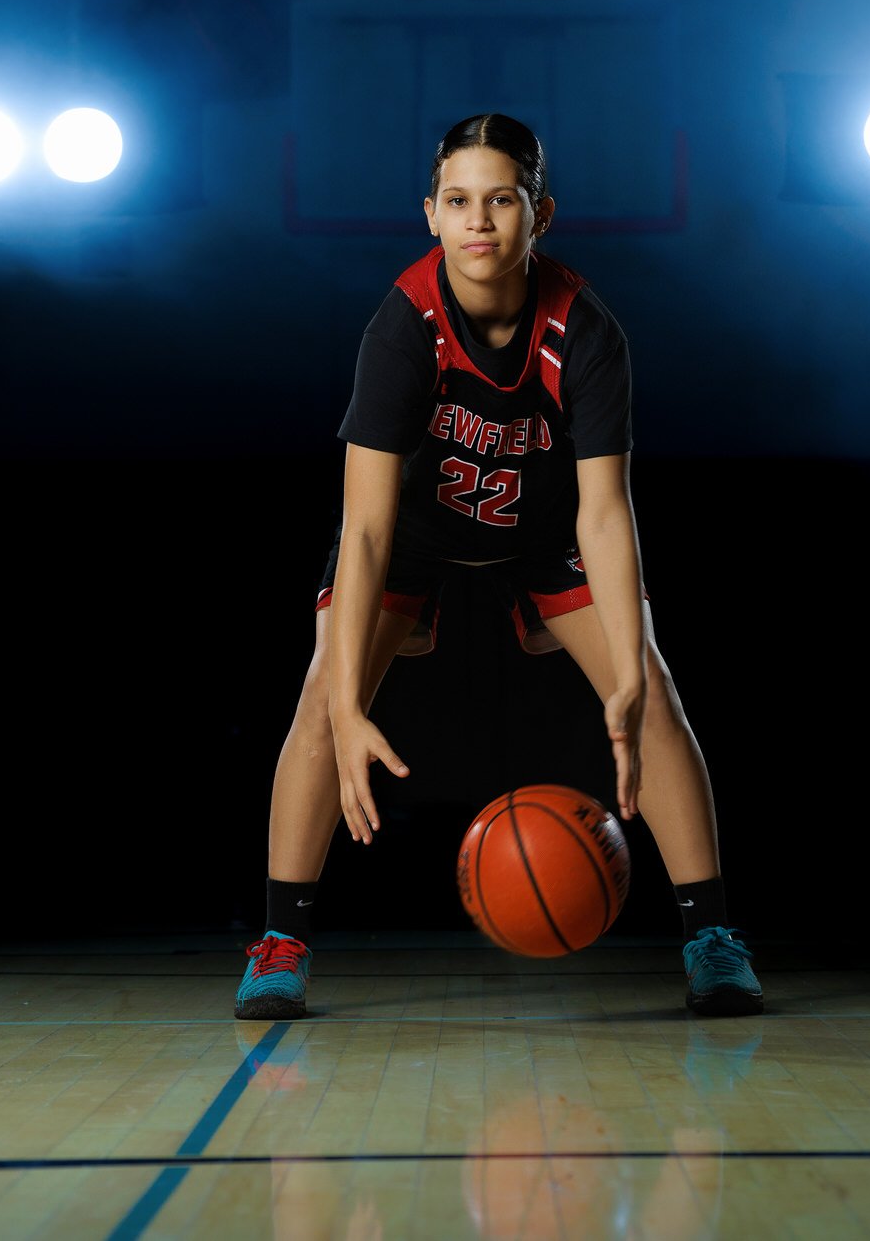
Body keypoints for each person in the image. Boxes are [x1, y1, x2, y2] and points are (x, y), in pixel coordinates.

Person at [236, 114, 762, 1019]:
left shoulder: (585, 330)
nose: (480, 222)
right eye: (459, 202)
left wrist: (628, 673)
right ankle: (281, 939)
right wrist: (351, 700)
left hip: (542, 529)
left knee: (656, 693)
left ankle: (711, 936)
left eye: (502, 201)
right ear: (430, 215)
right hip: (412, 533)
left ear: (540, 214)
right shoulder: (403, 327)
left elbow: (604, 508)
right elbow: (364, 527)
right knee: (325, 696)